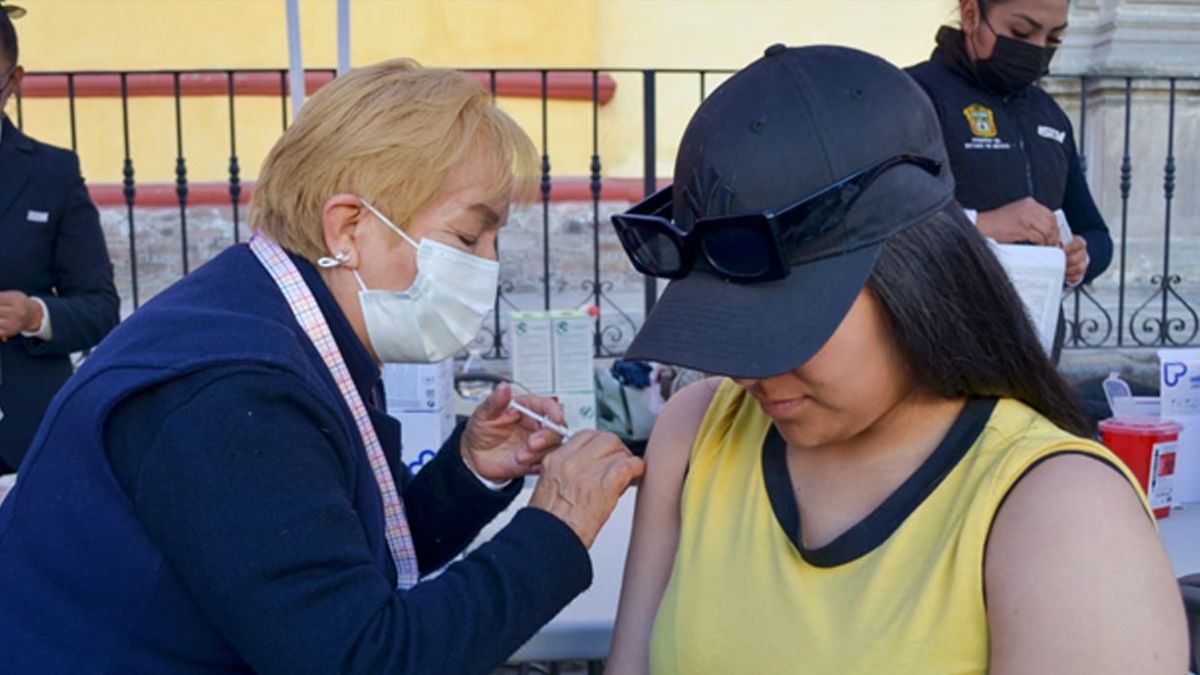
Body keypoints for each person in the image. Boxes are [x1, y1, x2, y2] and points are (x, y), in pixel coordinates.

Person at [0, 58, 643, 674]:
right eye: (468, 237)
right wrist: (557, 523)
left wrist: (469, 472)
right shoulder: (236, 390)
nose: (487, 264)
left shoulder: (272, 318)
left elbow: (332, 559)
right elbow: (364, 658)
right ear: (347, 227)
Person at [605, 45, 1186, 674]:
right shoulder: (696, 434)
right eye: (725, 323)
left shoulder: (1063, 517)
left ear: (916, 277)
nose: (746, 371)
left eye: (787, 323)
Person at [906, 0, 1111, 290]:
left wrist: (1082, 257)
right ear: (970, 15)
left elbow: (1094, 231)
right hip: (944, 312)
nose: (1038, 49)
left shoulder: (1049, 113)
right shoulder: (913, 95)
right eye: (1021, 32)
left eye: (1054, 39)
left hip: (1035, 316)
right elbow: (882, 228)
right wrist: (983, 225)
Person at [0, 6, 119, 474]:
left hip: (25, 441)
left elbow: (100, 308)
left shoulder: (54, 173)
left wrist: (35, 315)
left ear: (14, 81)